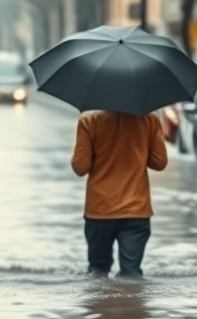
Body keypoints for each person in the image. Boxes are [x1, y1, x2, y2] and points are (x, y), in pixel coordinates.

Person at [71, 110, 168, 278]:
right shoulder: (149, 119)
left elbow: (81, 167)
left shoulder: (89, 119)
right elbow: (159, 162)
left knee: (97, 273)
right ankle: (132, 303)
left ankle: (100, 304)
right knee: (131, 275)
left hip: (100, 209)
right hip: (136, 210)